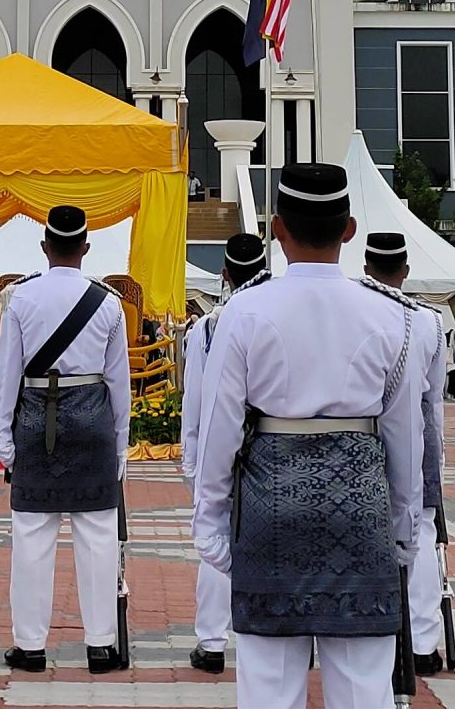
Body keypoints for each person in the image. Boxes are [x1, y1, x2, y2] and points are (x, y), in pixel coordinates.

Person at [194, 163, 425, 709]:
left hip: (271, 507)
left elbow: (219, 429)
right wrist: (404, 529)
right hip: (360, 509)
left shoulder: (244, 311)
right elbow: (404, 439)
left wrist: (210, 524)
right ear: (349, 229)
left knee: (269, 686)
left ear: (277, 228)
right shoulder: (394, 318)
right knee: (364, 687)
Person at [0, 206, 132, 674]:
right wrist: (120, 447)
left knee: (31, 539)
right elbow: (119, 383)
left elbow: (6, 377)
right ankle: (100, 646)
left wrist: (4, 444)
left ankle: (30, 647)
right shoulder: (108, 302)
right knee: (98, 538)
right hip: (92, 421)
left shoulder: (20, 299)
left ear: (45, 247)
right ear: (86, 248)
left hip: (35, 420)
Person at [363, 231, 455, 677]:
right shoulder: (429, 321)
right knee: (418, 537)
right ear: (405, 271)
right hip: (417, 430)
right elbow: (434, 398)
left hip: (364, 431)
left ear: (365, 269)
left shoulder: (357, 312)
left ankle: (373, 634)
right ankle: (423, 644)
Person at [179, 231, 265, 675]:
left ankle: (212, 643)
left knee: (216, 543)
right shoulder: (278, 311)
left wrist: (191, 461)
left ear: (226, 274)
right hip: (277, 447)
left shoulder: (210, 326)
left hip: (224, 444)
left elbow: (194, 400)